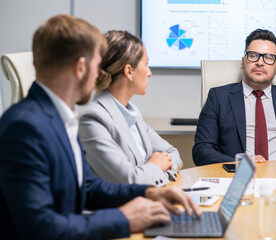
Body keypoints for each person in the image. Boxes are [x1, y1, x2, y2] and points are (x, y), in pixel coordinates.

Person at [0, 15, 201, 240]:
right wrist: (123, 218)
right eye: (97, 66)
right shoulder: (25, 127)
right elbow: (40, 228)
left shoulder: (60, 117)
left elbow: (87, 187)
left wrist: (149, 192)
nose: (100, 76)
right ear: (80, 68)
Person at [193, 29, 276, 166]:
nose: (260, 63)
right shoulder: (218, 97)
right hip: (237, 174)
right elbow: (201, 151)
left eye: (268, 58)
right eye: (253, 55)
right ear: (243, 62)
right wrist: (239, 161)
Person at [78, 30, 182, 186]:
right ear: (128, 71)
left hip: (147, 201)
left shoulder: (132, 112)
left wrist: (153, 172)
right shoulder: (93, 118)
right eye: (146, 64)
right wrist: (155, 166)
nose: (149, 72)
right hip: (118, 208)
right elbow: (128, 180)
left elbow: (173, 154)